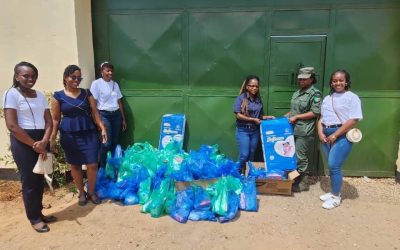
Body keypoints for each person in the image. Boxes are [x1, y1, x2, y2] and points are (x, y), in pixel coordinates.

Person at [2, 61, 55, 233]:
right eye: (26, 75)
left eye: (33, 75)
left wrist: (45, 141)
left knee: (40, 178)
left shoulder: (39, 95)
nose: (30, 78)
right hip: (23, 141)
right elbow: (12, 125)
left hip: (41, 139)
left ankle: (39, 213)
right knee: (30, 181)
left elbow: (48, 121)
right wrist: (33, 144)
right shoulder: (11, 94)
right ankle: (34, 219)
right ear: (17, 76)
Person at [50, 65, 107, 206]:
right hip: (69, 136)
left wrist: (102, 128)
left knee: (92, 164)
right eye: (73, 77)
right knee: (75, 165)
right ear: (65, 78)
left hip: (89, 133)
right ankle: (81, 193)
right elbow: (55, 119)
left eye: (79, 77)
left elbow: (95, 112)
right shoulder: (58, 96)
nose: (76, 80)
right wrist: (52, 138)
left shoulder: (87, 93)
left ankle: (91, 192)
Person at [317, 69, 362, 209]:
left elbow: (354, 119)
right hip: (325, 135)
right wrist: (320, 132)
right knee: (331, 166)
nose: (338, 83)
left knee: (334, 165)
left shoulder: (352, 97)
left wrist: (335, 134)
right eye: (335, 81)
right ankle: (332, 192)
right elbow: (321, 118)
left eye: (341, 80)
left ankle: (336, 197)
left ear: (346, 81)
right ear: (331, 82)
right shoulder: (327, 98)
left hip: (341, 135)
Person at [285, 67, 322, 192]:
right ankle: (293, 179)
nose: (301, 81)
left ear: (311, 79)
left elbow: (315, 112)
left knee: (301, 156)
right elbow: (294, 110)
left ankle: (303, 182)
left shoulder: (315, 94)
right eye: (300, 79)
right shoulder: (297, 93)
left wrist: (297, 117)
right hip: (292, 129)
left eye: (304, 79)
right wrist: (286, 116)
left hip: (304, 130)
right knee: (291, 155)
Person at [233, 75, 274, 175]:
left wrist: (267, 117)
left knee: (251, 155)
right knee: (244, 154)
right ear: (247, 86)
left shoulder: (258, 99)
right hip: (243, 130)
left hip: (255, 131)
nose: (254, 88)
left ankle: (246, 174)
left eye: (256, 86)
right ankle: (235, 173)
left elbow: (259, 116)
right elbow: (238, 115)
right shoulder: (241, 98)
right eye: (252, 86)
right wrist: (253, 119)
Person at [90, 62, 126, 168]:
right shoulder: (96, 84)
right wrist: (97, 120)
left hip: (116, 115)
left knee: (115, 142)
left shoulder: (115, 84)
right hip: (104, 115)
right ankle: (102, 168)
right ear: (102, 72)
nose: (110, 73)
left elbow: (119, 102)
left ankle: (113, 168)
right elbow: (93, 104)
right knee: (106, 143)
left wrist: (123, 119)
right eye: (107, 70)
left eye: (111, 71)